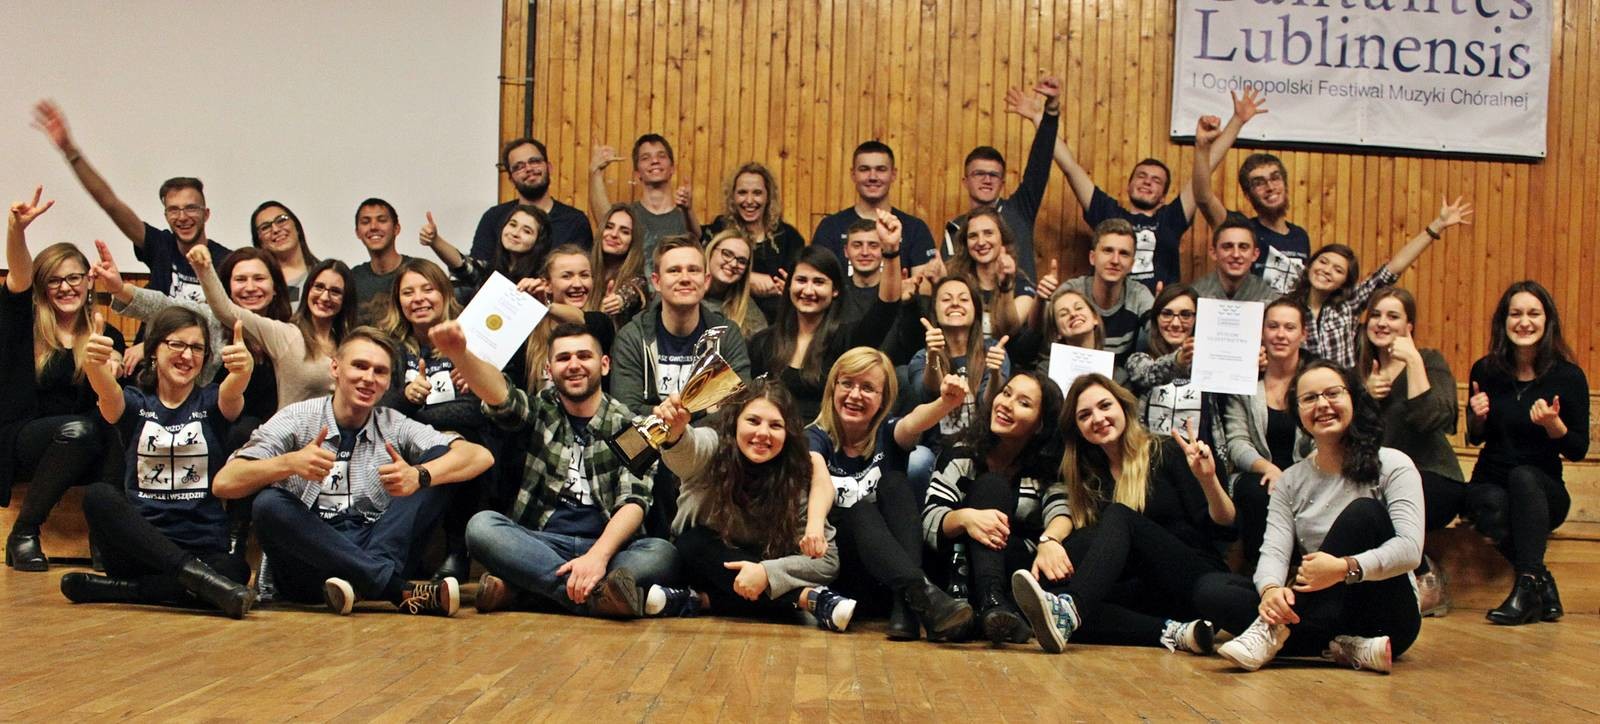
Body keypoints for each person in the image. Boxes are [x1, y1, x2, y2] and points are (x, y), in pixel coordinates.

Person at [215, 329, 495, 616]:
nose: (369, 378)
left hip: (378, 545)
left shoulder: (393, 424)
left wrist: (419, 475)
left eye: (380, 371)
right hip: (310, 563)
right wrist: (289, 463)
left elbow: (479, 456)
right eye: (360, 366)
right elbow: (224, 482)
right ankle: (393, 588)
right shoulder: (297, 418)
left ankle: (363, 580)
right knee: (268, 504)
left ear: (388, 382)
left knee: (439, 462)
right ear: (335, 368)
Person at [424, 319, 681, 618]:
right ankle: (596, 598)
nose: (574, 365)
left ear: (605, 365)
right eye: (563, 358)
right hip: (540, 543)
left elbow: (633, 502)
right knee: (482, 527)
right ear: (549, 369)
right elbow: (501, 396)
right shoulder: (541, 411)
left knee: (663, 553)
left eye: (584, 356)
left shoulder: (630, 427)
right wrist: (460, 354)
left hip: (609, 549)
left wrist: (597, 557)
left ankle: (526, 591)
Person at [1011, 375, 1248, 654]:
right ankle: (1177, 633)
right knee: (1046, 602)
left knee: (1119, 517)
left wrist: (1208, 480)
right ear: (1077, 429)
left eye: (1105, 406)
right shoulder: (1089, 479)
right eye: (1085, 415)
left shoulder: (1167, 451)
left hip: (1195, 579)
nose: (1097, 418)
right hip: (1152, 597)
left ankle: (1071, 609)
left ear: (1123, 407)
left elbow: (1225, 528)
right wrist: (1048, 542)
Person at [1217, 360, 1424, 674]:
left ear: (1353, 398)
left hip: (1388, 615)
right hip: (1325, 609)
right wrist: (1271, 591)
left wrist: (1344, 568)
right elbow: (1274, 552)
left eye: (1333, 393)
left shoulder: (1394, 465)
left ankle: (1272, 631)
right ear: (1298, 413)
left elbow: (1410, 550)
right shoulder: (1290, 480)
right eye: (1310, 398)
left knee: (1363, 513)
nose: (1323, 404)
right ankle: (1342, 648)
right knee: (1213, 591)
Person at [64, 306, 256, 618]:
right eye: (177, 344)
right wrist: (94, 366)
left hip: (201, 544)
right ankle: (196, 581)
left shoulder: (212, 402)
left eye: (197, 348)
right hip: (139, 547)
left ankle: (124, 590)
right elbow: (107, 393)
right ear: (153, 350)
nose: (187, 355)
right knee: (99, 495)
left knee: (235, 571)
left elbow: (234, 392)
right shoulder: (135, 402)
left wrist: (243, 371)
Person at [33, 101, 231, 375]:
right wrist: (71, 152)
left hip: (199, 371)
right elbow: (111, 204)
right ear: (166, 215)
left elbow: (220, 326)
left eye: (191, 208)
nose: (182, 216)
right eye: (173, 210)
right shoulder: (160, 246)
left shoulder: (227, 261)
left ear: (206, 214)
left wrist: (150, 344)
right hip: (148, 371)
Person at [648, 381, 855, 632]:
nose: (763, 433)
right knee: (693, 543)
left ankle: (699, 601)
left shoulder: (795, 476)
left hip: (759, 570)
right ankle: (807, 599)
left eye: (775, 425)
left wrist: (766, 573)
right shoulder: (713, 449)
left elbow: (827, 560)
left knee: (766, 579)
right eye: (753, 421)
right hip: (701, 565)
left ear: (788, 433)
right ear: (735, 422)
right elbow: (689, 449)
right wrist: (676, 434)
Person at [808, 348, 976, 640]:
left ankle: (907, 608)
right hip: (846, 575)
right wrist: (813, 526)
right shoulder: (814, 437)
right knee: (860, 509)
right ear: (833, 387)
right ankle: (922, 595)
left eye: (868, 388)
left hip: (891, 579)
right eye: (847, 383)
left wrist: (945, 403)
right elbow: (821, 482)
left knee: (895, 483)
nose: (855, 395)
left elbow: (914, 421)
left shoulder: (888, 432)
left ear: (883, 399)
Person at [2, 187, 127, 571]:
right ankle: (24, 532)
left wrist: (109, 368)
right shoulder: (23, 324)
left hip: (86, 444)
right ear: (41, 286)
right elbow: (19, 274)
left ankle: (104, 535)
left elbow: (110, 405)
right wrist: (16, 230)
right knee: (80, 430)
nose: (66, 287)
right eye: (54, 280)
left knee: (114, 430)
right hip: (23, 438)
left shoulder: (107, 334)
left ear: (89, 282)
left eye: (74, 277)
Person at [1465, 281, 1589, 626]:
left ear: (1547, 321)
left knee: (1522, 477)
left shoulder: (1568, 376)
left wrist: (1554, 426)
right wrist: (1477, 417)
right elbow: (1475, 438)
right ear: (1503, 321)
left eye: (1533, 313)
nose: (1524, 322)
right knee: (1488, 505)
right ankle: (1538, 582)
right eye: (1515, 314)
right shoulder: (1485, 370)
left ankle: (1526, 589)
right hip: (1491, 483)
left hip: (1543, 493)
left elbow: (1578, 449)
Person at [1059, 90, 1267, 290]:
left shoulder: (1170, 218)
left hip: (1161, 309)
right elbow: (1070, 168)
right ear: (1128, 186)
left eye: (1156, 180)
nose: (1147, 182)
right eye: (1141, 176)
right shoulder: (1108, 214)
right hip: (1113, 303)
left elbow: (1208, 165)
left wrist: (1237, 121)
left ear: (1163, 197)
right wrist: (1047, 115)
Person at [922, 370, 1064, 644]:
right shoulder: (962, 452)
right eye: (1006, 393)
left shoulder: (1046, 469)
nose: (1006, 404)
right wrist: (965, 518)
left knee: (996, 490)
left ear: (1040, 424)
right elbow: (929, 521)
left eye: (1023, 403)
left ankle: (989, 608)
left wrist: (1050, 539)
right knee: (991, 486)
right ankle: (993, 602)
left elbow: (1061, 510)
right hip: (957, 565)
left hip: (1015, 568)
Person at [378, 258, 493, 582]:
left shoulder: (470, 340)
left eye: (427, 289)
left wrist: (420, 413)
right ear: (398, 302)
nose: (418, 299)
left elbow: (475, 410)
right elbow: (377, 410)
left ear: (444, 293)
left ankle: (458, 550)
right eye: (408, 292)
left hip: (464, 440)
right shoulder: (389, 347)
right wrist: (405, 396)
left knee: (460, 443)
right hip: (402, 442)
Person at [1357, 287, 1465, 616]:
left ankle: (1425, 575)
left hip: (1433, 478)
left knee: (1384, 505)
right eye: (1376, 315)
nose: (1382, 322)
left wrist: (1413, 360)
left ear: (1409, 326)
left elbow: (1433, 419)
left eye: (1393, 316)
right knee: (1363, 505)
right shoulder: (1360, 371)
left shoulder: (1429, 360)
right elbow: (1350, 435)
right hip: (1378, 482)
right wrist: (1364, 395)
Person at [1285, 197, 1473, 368]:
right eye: (1323, 262)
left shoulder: (1349, 304)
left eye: (1338, 270)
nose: (1327, 270)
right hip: (1303, 388)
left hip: (1343, 388)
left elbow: (1394, 268)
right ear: (1310, 265)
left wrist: (1438, 225)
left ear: (1344, 282)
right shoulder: (1288, 306)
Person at [749, 217, 902, 422]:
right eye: (801, 280)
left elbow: (887, 308)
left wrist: (891, 251)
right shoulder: (763, 342)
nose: (808, 290)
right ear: (789, 286)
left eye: (819, 282)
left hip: (826, 437)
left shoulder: (848, 339)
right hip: (773, 435)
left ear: (835, 290)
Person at [189, 246, 357, 409]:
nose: (325, 297)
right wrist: (204, 269)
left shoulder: (351, 345)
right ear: (307, 290)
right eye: (318, 287)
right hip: (289, 428)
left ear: (346, 299)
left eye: (335, 291)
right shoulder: (286, 334)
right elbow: (227, 311)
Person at [610, 236, 752, 416]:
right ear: (656, 282)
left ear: (706, 281)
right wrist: (704, 409)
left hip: (710, 435)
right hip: (650, 435)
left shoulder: (726, 335)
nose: (685, 278)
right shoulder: (633, 337)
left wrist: (667, 413)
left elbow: (737, 406)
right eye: (674, 271)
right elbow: (625, 412)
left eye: (693, 270)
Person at [1225, 298, 1317, 569]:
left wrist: (1296, 474)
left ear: (1303, 334)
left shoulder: (1316, 378)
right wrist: (1268, 468)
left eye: (1289, 327)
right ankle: (1263, 573)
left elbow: (1325, 438)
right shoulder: (1245, 379)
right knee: (1259, 491)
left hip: (1310, 470)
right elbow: (1237, 441)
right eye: (1273, 326)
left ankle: (1305, 571)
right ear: (1262, 331)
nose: (1280, 334)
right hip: (1258, 474)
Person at [942, 75, 1061, 279]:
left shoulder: (1020, 210)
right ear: (965, 182)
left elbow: (1040, 162)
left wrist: (1051, 112)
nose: (987, 180)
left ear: (1002, 183)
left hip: (1020, 299)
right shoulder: (955, 228)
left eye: (994, 175)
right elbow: (949, 282)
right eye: (979, 174)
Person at [906, 276, 1009, 489]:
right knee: (916, 459)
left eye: (963, 299)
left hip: (982, 450)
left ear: (976, 310)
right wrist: (933, 356)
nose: (955, 303)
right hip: (936, 453)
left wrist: (995, 373)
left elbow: (989, 403)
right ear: (935, 311)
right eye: (946, 299)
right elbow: (927, 393)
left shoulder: (994, 351)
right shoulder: (921, 356)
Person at [812, 141, 940, 278]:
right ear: (853, 174)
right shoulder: (830, 227)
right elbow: (817, 281)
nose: (872, 177)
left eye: (881, 169)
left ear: (893, 174)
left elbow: (924, 286)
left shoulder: (915, 228)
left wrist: (905, 288)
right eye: (864, 169)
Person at [1125, 285, 1224, 457]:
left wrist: (1254, 366)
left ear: (1197, 319)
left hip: (1201, 457)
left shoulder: (1211, 364)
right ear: (1156, 318)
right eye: (1167, 314)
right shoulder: (1139, 360)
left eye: (1186, 315)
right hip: (1152, 458)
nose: (1176, 323)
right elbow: (1147, 374)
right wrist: (1178, 359)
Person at [701, 162, 805, 321]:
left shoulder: (789, 237)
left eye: (757, 193)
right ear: (733, 197)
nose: (749, 200)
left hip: (778, 320)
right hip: (726, 314)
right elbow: (706, 269)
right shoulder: (720, 229)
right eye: (742, 192)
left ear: (768, 196)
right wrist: (750, 279)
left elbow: (791, 284)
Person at [470, 137, 594, 263]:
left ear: (549, 167)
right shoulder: (494, 217)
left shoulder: (574, 221)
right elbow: (478, 269)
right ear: (511, 179)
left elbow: (580, 269)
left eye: (534, 161)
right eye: (519, 167)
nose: (528, 169)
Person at [590, 134, 699, 271]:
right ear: (637, 173)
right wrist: (595, 172)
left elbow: (696, 238)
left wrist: (688, 210)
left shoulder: (685, 217)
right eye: (645, 158)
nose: (655, 161)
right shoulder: (628, 215)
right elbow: (604, 220)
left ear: (672, 168)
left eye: (661, 156)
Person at [1059, 219, 1154, 370]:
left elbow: (1157, 335)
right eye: (1108, 250)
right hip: (1070, 371)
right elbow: (1038, 338)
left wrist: (1163, 319)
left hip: (1117, 379)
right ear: (1092, 257)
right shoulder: (1072, 291)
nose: (1115, 260)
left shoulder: (1138, 295)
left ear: (1132, 264)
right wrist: (1040, 300)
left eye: (1124, 253)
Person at [421, 203, 547, 302]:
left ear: (539, 241)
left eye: (526, 231)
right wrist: (435, 240)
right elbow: (462, 264)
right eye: (512, 225)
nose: (515, 233)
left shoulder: (541, 279)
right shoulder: (489, 268)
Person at [945, 209, 1036, 340]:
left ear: (1002, 238)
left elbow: (1008, 329)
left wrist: (1006, 286)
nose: (981, 242)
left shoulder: (1021, 284)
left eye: (988, 233)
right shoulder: (955, 281)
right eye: (973, 236)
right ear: (966, 243)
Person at [586, 204, 651, 327]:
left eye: (624, 232)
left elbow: (632, 290)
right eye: (609, 227)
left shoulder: (637, 281)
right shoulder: (586, 271)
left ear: (633, 241)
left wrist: (619, 300)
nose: (614, 234)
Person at [349, 198, 413, 324]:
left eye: (382, 220)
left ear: (396, 228)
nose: (373, 227)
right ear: (357, 232)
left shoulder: (417, 271)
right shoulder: (352, 279)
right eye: (366, 222)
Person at [1188, 216, 1278, 303]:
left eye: (1243, 247)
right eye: (1227, 247)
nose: (1236, 254)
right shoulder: (1195, 296)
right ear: (1214, 253)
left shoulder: (1270, 298)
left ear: (1255, 254)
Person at [249, 200, 318, 305]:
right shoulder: (255, 285)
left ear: (296, 227)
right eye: (265, 227)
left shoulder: (325, 275)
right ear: (259, 242)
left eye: (281, 220)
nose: (275, 229)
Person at [703, 229, 767, 337]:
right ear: (711, 252)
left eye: (742, 261)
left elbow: (762, 342)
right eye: (727, 254)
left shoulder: (747, 308)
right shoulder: (685, 290)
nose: (733, 264)